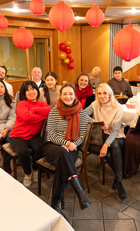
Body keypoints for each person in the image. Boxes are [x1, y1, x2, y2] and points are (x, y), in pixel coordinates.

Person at [43, 83, 90, 219]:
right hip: (52, 146)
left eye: (71, 94)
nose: (68, 96)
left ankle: (55, 204)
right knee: (63, 155)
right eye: (65, 94)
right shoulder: (54, 111)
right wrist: (66, 143)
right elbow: (50, 134)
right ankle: (79, 191)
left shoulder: (82, 114)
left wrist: (71, 144)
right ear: (60, 95)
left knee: (62, 161)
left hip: (71, 148)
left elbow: (81, 136)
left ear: (75, 96)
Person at [84, 83, 127, 199]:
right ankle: (118, 176)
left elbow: (116, 131)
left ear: (110, 94)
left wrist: (105, 145)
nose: (102, 96)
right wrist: (97, 122)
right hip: (101, 135)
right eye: (99, 93)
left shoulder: (118, 107)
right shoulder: (95, 104)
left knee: (114, 146)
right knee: (108, 156)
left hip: (116, 135)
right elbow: (81, 114)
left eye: (105, 93)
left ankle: (119, 182)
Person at [9, 81, 52, 187]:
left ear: (37, 90)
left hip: (33, 135)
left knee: (41, 148)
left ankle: (35, 169)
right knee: (23, 152)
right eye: (27, 90)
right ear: (24, 93)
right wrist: (42, 116)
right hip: (17, 135)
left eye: (33, 89)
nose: (31, 92)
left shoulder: (41, 104)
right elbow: (26, 117)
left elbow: (50, 110)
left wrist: (34, 110)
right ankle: (27, 174)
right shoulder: (21, 104)